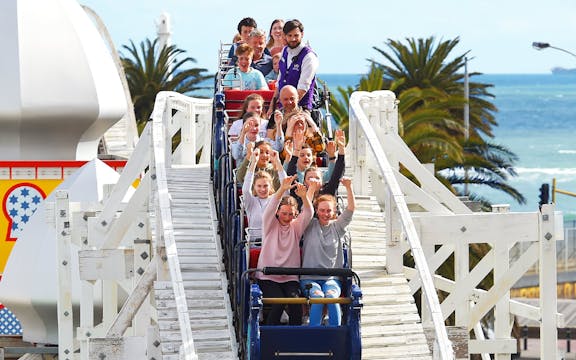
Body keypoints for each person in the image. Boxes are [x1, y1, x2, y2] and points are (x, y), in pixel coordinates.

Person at [255, 175, 320, 325]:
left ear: (295, 214)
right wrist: (282, 189)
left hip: (289, 277)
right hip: (268, 276)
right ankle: (269, 335)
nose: (287, 217)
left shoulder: (296, 227)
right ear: (278, 212)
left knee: (295, 303)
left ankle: (295, 336)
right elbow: (270, 208)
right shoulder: (270, 225)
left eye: (291, 214)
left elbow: (308, 214)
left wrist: (304, 197)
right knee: (278, 303)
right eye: (284, 213)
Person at [300, 177, 355, 326]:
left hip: (331, 278)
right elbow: (306, 210)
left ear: (334, 211)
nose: (325, 214)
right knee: (318, 297)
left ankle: (336, 336)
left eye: (329, 211)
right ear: (317, 211)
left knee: (331, 297)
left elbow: (350, 210)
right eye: (322, 210)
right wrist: (311, 189)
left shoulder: (337, 227)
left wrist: (349, 188)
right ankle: (314, 334)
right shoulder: (310, 225)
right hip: (309, 278)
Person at [269, 19, 319, 114]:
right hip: (282, 108)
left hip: (301, 109)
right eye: (290, 35)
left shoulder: (309, 57)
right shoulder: (284, 51)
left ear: (302, 34)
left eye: (296, 35)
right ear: (284, 36)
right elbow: (280, 80)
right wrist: (272, 105)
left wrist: (288, 112)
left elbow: (303, 87)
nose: (293, 39)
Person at [242, 148, 287, 240]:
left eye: (265, 186)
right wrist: (254, 162)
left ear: (270, 186)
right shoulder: (251, 202)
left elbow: (285, 187)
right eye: (259, 186)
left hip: (273, 242)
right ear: (254, 187)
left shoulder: (275, 199)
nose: (262, 189)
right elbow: (246, 189)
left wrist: (277, 161)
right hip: (255, 243)